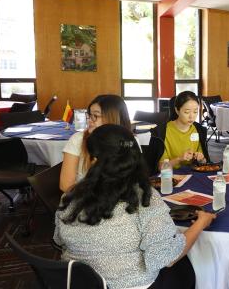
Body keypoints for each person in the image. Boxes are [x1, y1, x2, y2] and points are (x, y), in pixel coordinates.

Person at [54, 124, 216, 289]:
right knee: (185, 268)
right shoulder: (144, 198)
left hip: (75, 283)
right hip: (132, 285)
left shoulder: (70, 196)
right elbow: (167, 258)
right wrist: (201, 223)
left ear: (92, 159)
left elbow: (59, 239)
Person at [60, 94, 131, 192]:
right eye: (89, 115)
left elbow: (132, 180)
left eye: (95, 116)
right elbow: (65, 185)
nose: (89, 120)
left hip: (120, 198)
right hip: (83, 198)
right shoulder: (78, 139)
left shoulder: (129, 141)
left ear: (113, 117)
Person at [149, 91, 210, 169]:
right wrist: (179, 159)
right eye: (187, 112)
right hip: (170, 176)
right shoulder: (162, 132)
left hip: (193, 174)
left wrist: (201, 159)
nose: (192, 116)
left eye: (195, 112)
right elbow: (161, 167)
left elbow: (204, 162)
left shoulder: (199, 130)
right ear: (177, 110)